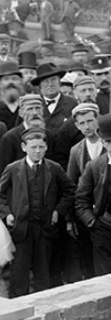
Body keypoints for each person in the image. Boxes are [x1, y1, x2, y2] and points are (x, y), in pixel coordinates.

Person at [0, 127, 75, 297]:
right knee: (19, 272)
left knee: (43, 271)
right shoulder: (13, 169)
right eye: (33, 147)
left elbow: (70, 191)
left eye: (41, 147)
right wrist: (7, 213)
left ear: (46, 148)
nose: (37, 151)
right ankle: (18, 306)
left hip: (45, 227)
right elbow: (0, 194)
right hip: (21, 228)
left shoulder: (54, 168)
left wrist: (58, 211)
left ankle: (44, 307)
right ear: (24, 147)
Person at [76, 113, 111, 277]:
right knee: (106, 279)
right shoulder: (94, 167)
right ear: (102, 142)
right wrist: (91, 221)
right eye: (108, 141)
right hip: (104, 231)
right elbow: (81, 200)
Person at [31, 63, 78, 132]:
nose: (50, 84)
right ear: (39, 86)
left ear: (59, 82)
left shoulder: (73, 104)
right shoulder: (32, 105)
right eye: (45, 81)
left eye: (53, 79)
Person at [0, 61, 24, 130]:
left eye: (14, 79)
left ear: (20, 82)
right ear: (0, 84)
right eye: (6, 79)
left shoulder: (27, 106)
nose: (10, 82)